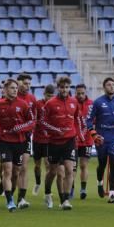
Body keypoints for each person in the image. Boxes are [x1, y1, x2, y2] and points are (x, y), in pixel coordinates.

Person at [0, 78, 35, 212]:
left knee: (16, 172)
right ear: (5, 90)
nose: (15, 90)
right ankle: (10, 201)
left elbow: (32, 121)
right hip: (5, 141)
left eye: (16, 88)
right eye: (12, 88)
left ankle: (14, 194)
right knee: (7, 170)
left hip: (20, 142)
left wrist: (21, 128)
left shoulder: (23, 105)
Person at [39, 76, 81, 211]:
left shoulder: (74, 102)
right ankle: (47, 192)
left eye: (67, 87)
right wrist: (56, 130)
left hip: (69, 140)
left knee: (68, 170)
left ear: (70, 88)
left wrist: (79, 133)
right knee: (53, 172)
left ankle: (65, 200)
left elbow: (77, 120)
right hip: (54, 142)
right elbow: (43, 122)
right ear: (58, 88)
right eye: (62, 87)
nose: (64, 90)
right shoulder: (50, 103)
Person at [87, 77, 114, 204]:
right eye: (108, 85)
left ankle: (112, 194)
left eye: (113, 85)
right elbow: (88, 120)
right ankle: (100, 182)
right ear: (104, 87)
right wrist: (93, 134)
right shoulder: (97, 103)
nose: (111, 86)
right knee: (102, 164)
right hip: (102, 138)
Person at [14, 73, 37, 208]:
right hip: (11, 139)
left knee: (23, 167)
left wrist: (29, 129)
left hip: (26, 137)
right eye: (25, 83)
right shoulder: (12, 97)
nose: (27, 86)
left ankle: (21, 198)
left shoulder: (32, 99)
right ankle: (9, 191)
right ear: (18, 83)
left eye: (29, 84)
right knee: (13, 169)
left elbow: (33, 119)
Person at [31, 84, 55, 196]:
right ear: (44, 94)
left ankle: (47, 188)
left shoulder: (54, 105)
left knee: (48, 164)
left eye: (51, 96)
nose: (49, 98)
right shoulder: (37, 104)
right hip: (37, 138)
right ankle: (37, 183)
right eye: (47, 95)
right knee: (37, 165)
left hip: (48, 140)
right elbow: (33, 119)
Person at [74, 84, 94, 200]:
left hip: (87, 140)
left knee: (83, 165)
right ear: (75, 93)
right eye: (78, 93)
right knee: (72, 166)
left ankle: (83, 189)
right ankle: (70, 189)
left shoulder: (91, 104)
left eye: (82, 93)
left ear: (85, 92)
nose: (81, 95)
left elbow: (94, 120)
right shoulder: (72, 103)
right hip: (74, 140)